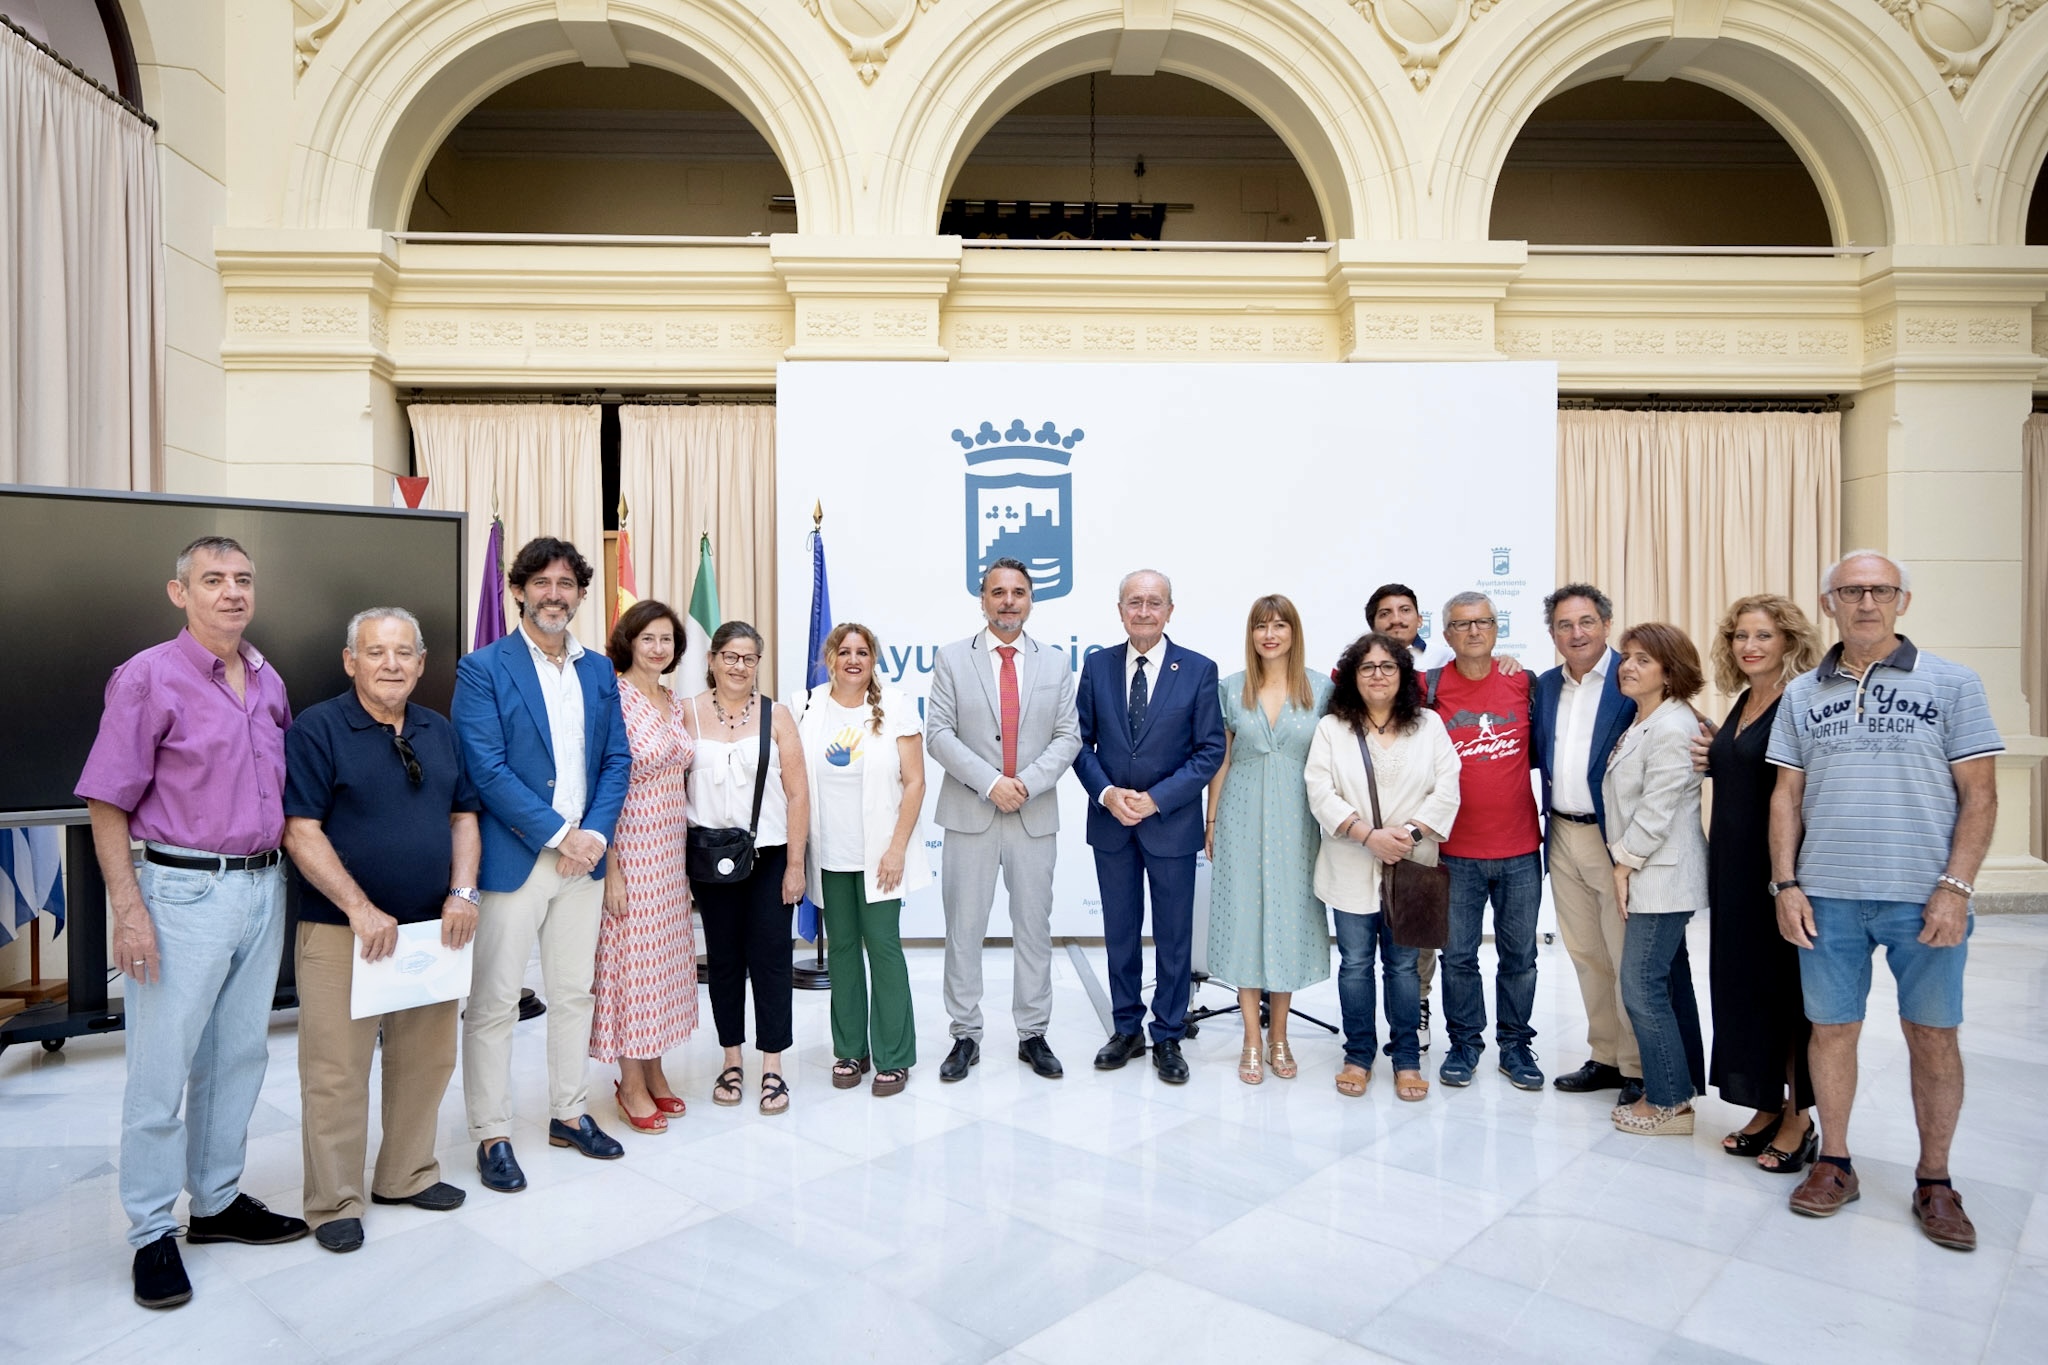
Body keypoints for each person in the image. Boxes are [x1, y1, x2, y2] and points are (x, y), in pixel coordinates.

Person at [77, 535, 310, 1308]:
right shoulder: (148, 677)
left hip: (261, 887)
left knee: (238, 1056)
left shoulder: (269, 679)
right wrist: (129, 910)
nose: (232, 592)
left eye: (243, 578)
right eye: (213, 580)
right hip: (179, 895)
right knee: (161, 1069)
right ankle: (150, 1230)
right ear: (181, 592)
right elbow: (106, 802)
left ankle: (214, 1202)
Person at [1768, 550, 2001, 1250]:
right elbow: (1787, 795)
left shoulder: (1953, 684)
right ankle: (1835, 1161)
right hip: (1827, 897)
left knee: (1932, 1035)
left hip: (1923, 898)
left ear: (1903, 600)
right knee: (1831, 1030)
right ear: (1828, 602)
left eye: (1879, 590)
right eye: (1851, 591)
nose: (1865, 601)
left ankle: (1935, 1180)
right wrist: (1786, 884)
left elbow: (1980, 795)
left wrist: (1955, 887)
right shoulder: (1803, 692)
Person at [282, 608, 480, 1252]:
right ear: (350, 661)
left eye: (403, 653)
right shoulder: (317, 729)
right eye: (375, 652)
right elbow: (299, 830)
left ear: (421, 664)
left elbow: (462, 817)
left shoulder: (440, 730)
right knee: (336, 1070)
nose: (390, 664)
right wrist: (359, 908)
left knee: (427, 1060)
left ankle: (407, 1173)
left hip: (432, 934)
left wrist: (463, 892)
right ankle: (335, 1200)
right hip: (343, 932)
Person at [453, 536, 633, 1192]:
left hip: (582, 861)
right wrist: (563, 834)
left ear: (581, 593)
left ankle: (568, 1111)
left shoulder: (598, 670)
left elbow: (617, 759)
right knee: (496, 1001)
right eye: (543, 582)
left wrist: (594, 835)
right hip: (516, 858)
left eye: (567, 584)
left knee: (573, 993)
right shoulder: (482, 668)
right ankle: (492, 1132)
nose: (555, 594)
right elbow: (486, 767)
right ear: (520, 590)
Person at [926, 557, 1082, 1082]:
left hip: (1033, 815)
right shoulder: (952, 659)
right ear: (983, 599)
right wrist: (992, 783)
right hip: (971, 812)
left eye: (1018, 592)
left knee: (1033, 929)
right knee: (964, 929)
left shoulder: (1056, 664)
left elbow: (1068, 736)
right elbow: (939, 734)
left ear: (1031, 599)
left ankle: (1032, 1033)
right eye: (998, 592)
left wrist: (1026, 785)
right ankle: (964, 1035)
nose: (1008, 601)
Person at [1075, 570, 1226, 1084]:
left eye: (1154, 602)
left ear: (1170, 611)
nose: (1144, 611)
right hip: (1112, 822)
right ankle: (1126, 1030)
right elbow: (1078, 742)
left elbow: (1210, 750)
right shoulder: (1096, 667)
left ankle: (1168, 1033)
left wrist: (1157, 799)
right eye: (1134, 602)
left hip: (1171, 824)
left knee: (1174, 936)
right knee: (1119, 932)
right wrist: (1108, 794)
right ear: (1120, 610)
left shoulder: (1200, 670)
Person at [1305, 633, 1461, 1101]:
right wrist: (1366, 835)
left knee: (1403, 967)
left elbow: (1448, 787)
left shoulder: (1429, 725)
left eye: (1388, 666)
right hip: (1349, 864)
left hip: (1411, 867)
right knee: (1354, 966)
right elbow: (1319, 789)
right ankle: (1357, 1055)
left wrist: (1408, 835)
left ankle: (1407, 1059)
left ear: (1403, 675)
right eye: (1367, 667)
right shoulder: (1332, 729)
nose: (1378, 675)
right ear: (1353, 677)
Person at [1696, 594, 1821, 1170]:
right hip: (1732, 868)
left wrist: (1788, 877)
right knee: (1743, 987)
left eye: (1763, 636)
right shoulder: (1746, 700)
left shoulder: (1802, 700)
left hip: (1779, 870)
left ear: (1790, 642)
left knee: (1786, 993)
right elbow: (1739, 764)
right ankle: (1765, 1104)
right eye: (1740, 636)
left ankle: (1799, 1117)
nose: (1749, 646)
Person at [796, 622, 930, 1095]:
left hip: (880, 857)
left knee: (884, 949)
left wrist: (896, 848)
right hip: (830, 856)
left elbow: (915, 782)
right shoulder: (807, 705)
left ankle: (894, 1055)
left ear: (874, 661)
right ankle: (850, 1050)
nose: (853, 660)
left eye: (863, 652)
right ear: (829, 657)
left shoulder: (895, 708)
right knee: (845, 953)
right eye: (844, 651)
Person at [1203, 594, 1332, 1084]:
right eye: (1261, 626)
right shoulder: (1231, 689)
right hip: (1239, 814)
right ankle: (1251, 1039)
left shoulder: (1320, 690)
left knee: (1287, 919)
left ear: (1294, 633)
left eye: (1280, 625)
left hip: (1298, 818)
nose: (1270, 634)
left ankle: (1279, 1035)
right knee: (1244, 919)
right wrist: (1211, 821)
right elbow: (1223, 760)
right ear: (1251, 635)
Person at [682, 621, 809, 1114]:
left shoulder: (776, 716)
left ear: (758, 664)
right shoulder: (686, 713)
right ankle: (731, 1059)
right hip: (709, 857)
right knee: (725, 961)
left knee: (772, 959)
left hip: (770, 855)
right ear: (713, 659)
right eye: (730, 656)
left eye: (749, 659)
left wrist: (795, 863)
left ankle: (772, 1065)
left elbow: (798, 794)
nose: (739, 666)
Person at [1530, 582, 1644, 1106]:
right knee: (1586, 953)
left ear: (1606, 624)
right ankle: (1605, 1056)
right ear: (1552, 633)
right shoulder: (1546, 687)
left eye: (1586, 623)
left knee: (1627, 958)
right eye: (1563, 625)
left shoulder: (1632, 676)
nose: (1576, 633)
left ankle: (1639, 1066)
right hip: (1561, 834)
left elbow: (1676, 722)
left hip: (1613, 842)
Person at [1428, 592, 1544, 1092]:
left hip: (1520, 850)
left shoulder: (1524, 682)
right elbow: (1360, 682)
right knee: (1457, 956)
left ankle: (1515, 1045)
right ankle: (1464, 1043)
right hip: (1454, 852)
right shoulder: (1428, 685)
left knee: (1519, 956)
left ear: (1497, 629)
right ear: (1447, 634)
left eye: (1483, 622)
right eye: (1462, 624)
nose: (1474, 631)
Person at [590, 600, 698, 1133]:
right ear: (629, 642)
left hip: (670, 853)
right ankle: (629, 1081)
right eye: (648, 638)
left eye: (667, 640)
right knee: (632, 966)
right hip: (629, 849)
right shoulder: (613, 698)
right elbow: (599, 783)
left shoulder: (672, 701)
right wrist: (609, 867)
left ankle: (654, 1070)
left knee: (663, 964)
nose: (658, 648)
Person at [1603, 623, 1710, 1136]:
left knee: (1641, 986)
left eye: (1644, 659)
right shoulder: (1648, 719)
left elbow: (1656, 811)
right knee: (1664, 982)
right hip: (1654, 871)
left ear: (1671, 670)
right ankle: (1677, 1087)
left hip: (1660, 875)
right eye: (1627, 657)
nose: (1628, 666)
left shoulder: (1672, 727)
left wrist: (1623, 864)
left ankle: (1668, 1102)